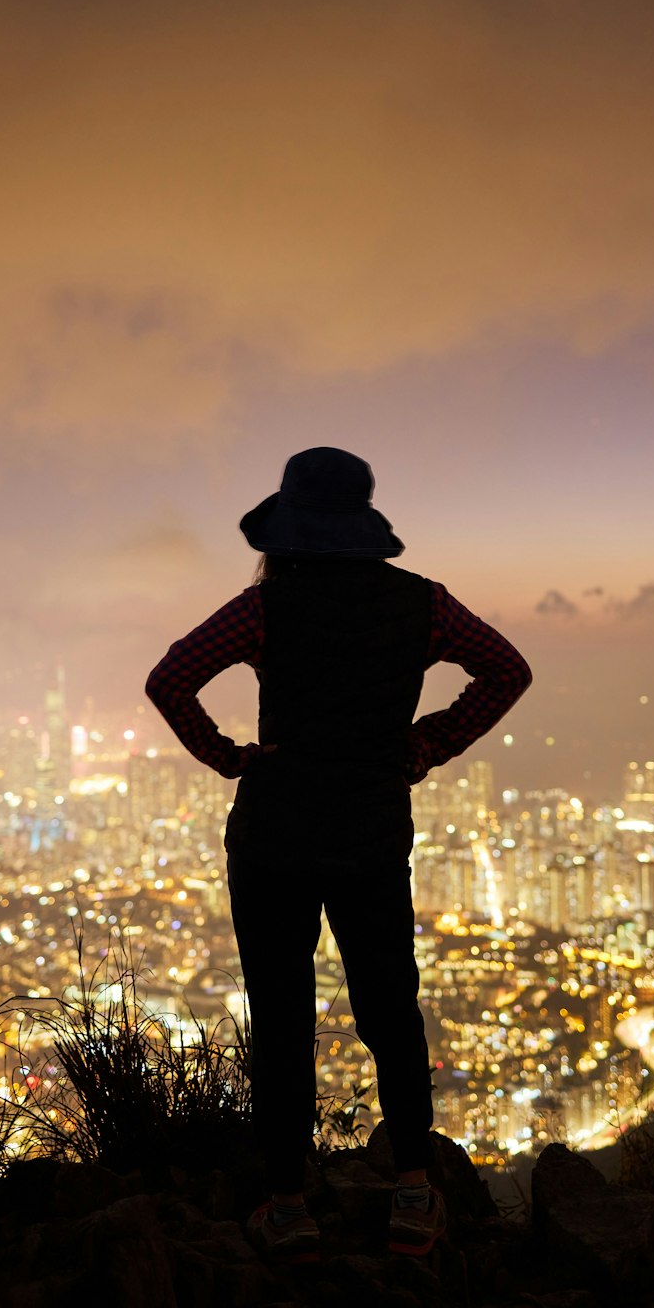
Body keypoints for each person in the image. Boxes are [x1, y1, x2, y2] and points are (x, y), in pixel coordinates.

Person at [146, 447, 532, 1260]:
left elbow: (171, 677)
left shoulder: (265, 608)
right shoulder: (420, 605)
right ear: (363, 526)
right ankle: (415, 1192)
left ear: (287, 527)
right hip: (370, 828)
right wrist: (426, 745)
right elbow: (506, 669)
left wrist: (227, 755)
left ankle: (288, 1205)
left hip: (276, 834)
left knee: (282, 1015)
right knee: (390, 1008)